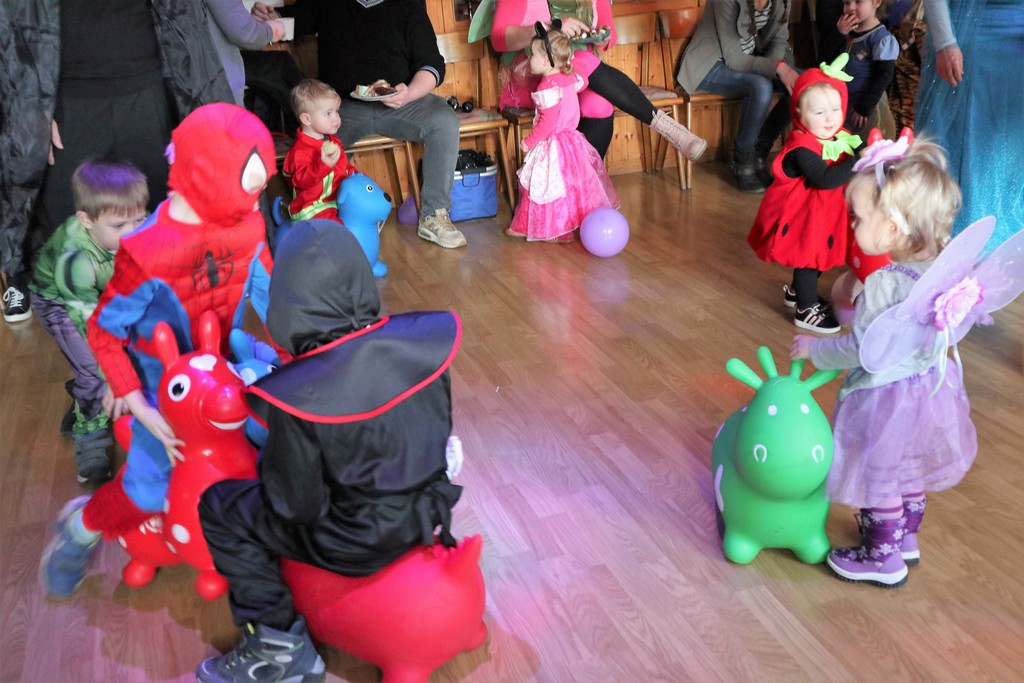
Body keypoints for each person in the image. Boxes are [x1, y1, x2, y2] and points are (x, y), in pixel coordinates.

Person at [194, 219, 463, 682]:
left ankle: (277, 645)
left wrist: (270, 460)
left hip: (356, 543)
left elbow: (296, 506)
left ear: (287, 304)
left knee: (220, 506)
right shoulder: (422, 350)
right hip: (426, 516)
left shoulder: (302, 397)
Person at [39, 103, 279, 600]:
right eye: (248, 188)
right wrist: (137, 402)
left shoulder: (250, 226)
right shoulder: (146, 249)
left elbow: (275, 301)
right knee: (146, 490)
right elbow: (105, 333)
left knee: (273, 446)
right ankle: (81, 529)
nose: (254, 204)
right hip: (159, 389)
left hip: (223, 372)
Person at [790, 137, 976, 588]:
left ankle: (882, 557)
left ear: (892, 229)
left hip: (886, 397)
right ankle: (904, 537)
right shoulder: (945, 273)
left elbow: (862, 349)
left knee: (879, 472)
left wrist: (814, 349)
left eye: (857, 217)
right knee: (906, 462)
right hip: (929, 388)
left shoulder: (884, 285)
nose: (852, 224)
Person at [0, 0, 233, 326]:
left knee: (156, 213)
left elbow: (183, 22)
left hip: (145, 86)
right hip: (67, 97)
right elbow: (15, 21)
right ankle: (25, 277)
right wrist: (32, 108)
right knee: (64, 214)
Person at [254, 0, 467, 250]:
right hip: (341, 108)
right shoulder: (327, 4)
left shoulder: (409, 4)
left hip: (402, 103)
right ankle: (320, 221)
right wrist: (268, 15)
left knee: (444, 121)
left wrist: (408, 93)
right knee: (311, 147)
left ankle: (434, 215)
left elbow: (431, 64)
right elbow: (291, 19)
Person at [28, 159, 149, 486]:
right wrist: (114, 377)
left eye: (139, 219)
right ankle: (90, 434)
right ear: (86, 219)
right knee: (95, 369)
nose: (133, 232)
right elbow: (93, 327)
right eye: (119, 225)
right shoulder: (75, 258)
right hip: (62, 305)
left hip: (106, 292)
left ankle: (90, 394)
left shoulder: (128, 227)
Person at [489, 0, 707, 162]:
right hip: (532, 81)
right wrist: (550, 28)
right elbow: (498, 39)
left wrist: (603, 37)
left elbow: (609, 32)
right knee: (582, 58)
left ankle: (583, 187)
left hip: (575, 80)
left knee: (599, 104)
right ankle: (668, 127)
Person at [747, 57, 862, 333]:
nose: (830, 118)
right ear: (799, 112)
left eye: (835, 109)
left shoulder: (838, 137)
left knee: (822, 253)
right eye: (819, 112)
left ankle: (799, 291)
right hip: (800, 215)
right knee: (809, 257)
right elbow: (825, 178)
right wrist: (859, 161)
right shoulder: (802, 147)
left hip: (822, 213)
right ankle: (805, 309)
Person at [914, 0, 1023, 247]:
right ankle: (963, 230)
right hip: (973, 35)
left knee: (1013, 141)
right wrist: (945, 42)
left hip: (1018, 44)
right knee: (967, 136)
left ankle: (1008, 236)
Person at [506, 26, 620, 242]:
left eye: (533, 54)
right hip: (572, 140)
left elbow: (547, 122)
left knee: (543, 183)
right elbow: (583, 80)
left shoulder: (546, 87)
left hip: (553, 142)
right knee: (567, 184)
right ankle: (564, 225)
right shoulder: (568, 78)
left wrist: (529, 142)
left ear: (545, 60)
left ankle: (547, 228)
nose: (529, 59)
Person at [677, 0, 800, 193]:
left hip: (749, 60)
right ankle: (742, 160)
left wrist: (774, 67)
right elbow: (734, 58)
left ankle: (759, 151)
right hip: (710, 65)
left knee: (802, 83)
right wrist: (777, 68)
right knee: (761, 86)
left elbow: (778, 41)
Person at [819, 0, 899, 138]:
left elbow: (883, 76)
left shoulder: (881, 39)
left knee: (865, 143)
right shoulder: (844, 31)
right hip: (842, 103)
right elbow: (824, 61)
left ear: (876, 3)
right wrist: (839, 34)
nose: (851, 8)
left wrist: (864, 107)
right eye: (846, 2)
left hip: (865, 106)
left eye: (858, 2)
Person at [283, 79, 359, 222]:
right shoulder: (299, 152)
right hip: (313, 208)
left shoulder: (330, 140)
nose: (336, 118)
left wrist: (357, 176)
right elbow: (303, 182)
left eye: (336, 111)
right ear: (307, 119)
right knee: (337, 229)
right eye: (328, 113)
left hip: (334, 200)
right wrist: (324, 165)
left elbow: (343, 167)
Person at [206, 0, 288, 106]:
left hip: (199, 80)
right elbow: (244, 33)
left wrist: (254, 25)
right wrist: (270, 31)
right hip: (219, 84)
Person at [887, 0, 927, 130]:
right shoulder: (920, 31)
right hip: (914, 100)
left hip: (900, 96)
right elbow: (929, 66)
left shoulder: (903, 26)